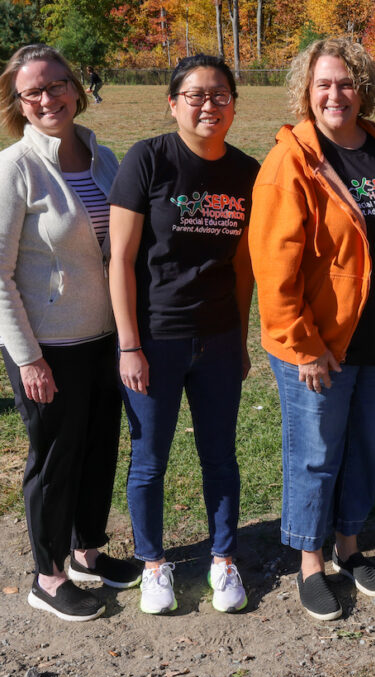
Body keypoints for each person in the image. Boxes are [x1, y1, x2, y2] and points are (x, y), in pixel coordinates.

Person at [248, 38, 375, 621]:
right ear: (307, 88)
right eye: (324, 83)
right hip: (318, 344)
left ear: (364, 90)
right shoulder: (293, 160)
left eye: (347, 83)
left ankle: (349, 546)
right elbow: (274, 265)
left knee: (363, 445)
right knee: (315, 453)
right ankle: (309, 561)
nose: (335, 94)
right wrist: (304, 346)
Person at [0, 44, 140, 622]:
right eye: (33, 91)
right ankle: (48, 576)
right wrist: (28, 358)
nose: (49, 99)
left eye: (57, 84)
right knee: (55, 459)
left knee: (98, 451)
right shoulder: (11, 169)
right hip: (47, 348)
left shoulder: (105, 157)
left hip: (102, 339)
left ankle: (88, 552)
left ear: (77, 87)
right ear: (17, 103)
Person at [108, 54, 259, 615]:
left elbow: (244, 268)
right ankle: (153, 564)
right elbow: (120, 259)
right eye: (194, 95)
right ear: (172, 103)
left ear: (234, 105)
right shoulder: (148, 159)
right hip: (156, 339)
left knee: (220, 455)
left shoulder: (247, 171)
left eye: (219, 95)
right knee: (150, 458)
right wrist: (129, 344)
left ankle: (224, 559)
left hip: (218, 338)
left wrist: (241, 339)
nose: (208, 106)